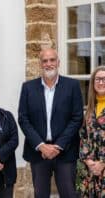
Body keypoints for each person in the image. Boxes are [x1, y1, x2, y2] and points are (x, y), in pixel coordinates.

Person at [18, 48, 83, 198]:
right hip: (38, 153)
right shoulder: (28, 87)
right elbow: (23, 118)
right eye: (45, 61)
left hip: (65, 151)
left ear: (58, 62)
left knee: (69, 194)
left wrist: (58, 146)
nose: (49, 64)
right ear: (40, 64)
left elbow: (77, 117)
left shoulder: (72, 85)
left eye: (52, 60)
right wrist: (41, 146)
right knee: (40, 195)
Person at [79, 66, 105, 197]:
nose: (101, 83)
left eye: (104, 79)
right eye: (98, 79)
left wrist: (102, 163)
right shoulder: (89, 110)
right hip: (91, 172)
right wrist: (90, 163)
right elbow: (84, 138)